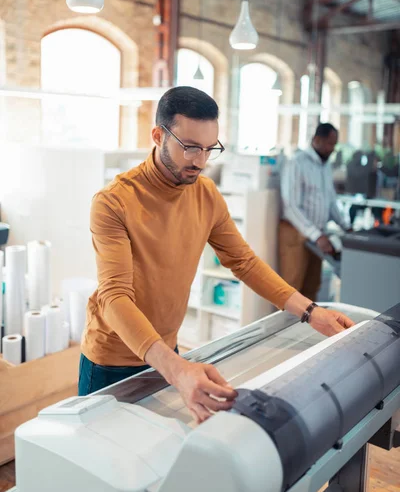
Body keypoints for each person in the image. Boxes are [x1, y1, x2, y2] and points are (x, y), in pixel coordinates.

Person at [79, 90, 354, 423]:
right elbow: (114, 296)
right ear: (157, 136)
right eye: (190, 146)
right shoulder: (113, 202)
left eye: (210, 149)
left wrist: (311, 312)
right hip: (112, 360)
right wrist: (175, 369)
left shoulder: (206, 193)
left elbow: (245, 262)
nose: (200, 161)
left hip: (167, 352)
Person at [279, 123, 351, 301]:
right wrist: (317, 236)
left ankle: (306, 328)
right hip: (296, 233)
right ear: (316, 140)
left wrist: (346, 227)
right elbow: (291, 206)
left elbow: (331, 201)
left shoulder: (325, 166)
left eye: (334, 144)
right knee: (292, 290)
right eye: (329, 143)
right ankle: (288, 328)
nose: (332, 148)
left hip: (317, 235)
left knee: (312, 288)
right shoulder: (296, 163)